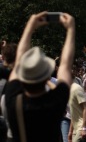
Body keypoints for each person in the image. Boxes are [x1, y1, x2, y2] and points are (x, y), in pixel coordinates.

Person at [5, 11, 75, 142]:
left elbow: (19, 61)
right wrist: (70, 29)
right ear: (46, 78)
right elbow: (65, 65)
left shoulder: (13, 99)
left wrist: (29, 27)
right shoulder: (56, 100)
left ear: (22, 77)